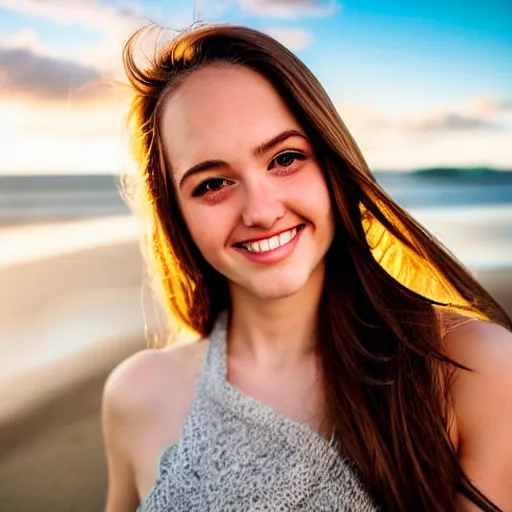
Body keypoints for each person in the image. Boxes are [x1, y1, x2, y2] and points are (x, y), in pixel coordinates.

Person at [101, 22, 512, 512]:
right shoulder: (136, 393)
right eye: (212, 184)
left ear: (332, 163)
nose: (261, 210)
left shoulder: (473, 367)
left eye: (285, 158)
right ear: (177, 214)